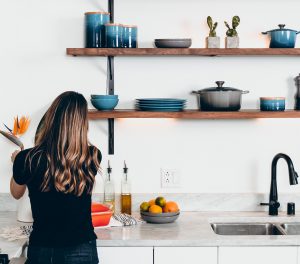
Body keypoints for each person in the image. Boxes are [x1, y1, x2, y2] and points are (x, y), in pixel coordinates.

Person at [10, 91, 101, 264]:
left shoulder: (27, 158)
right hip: (82, 248)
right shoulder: (93, 156)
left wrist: (17, 162)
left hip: (42, 249)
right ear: (82, 123)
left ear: (51, 118)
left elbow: (16, 192)